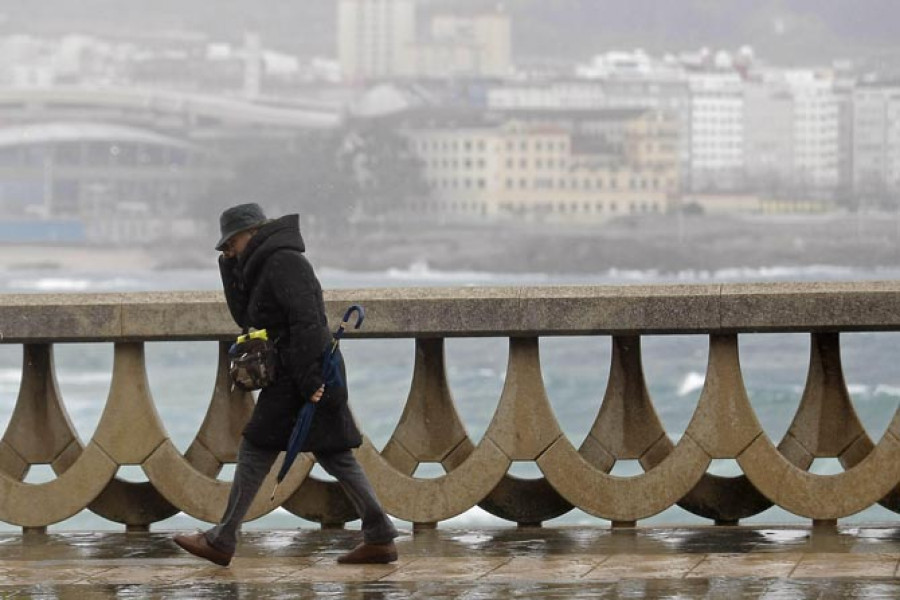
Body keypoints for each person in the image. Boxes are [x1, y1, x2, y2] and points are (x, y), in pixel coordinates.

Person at [173, 203, 398, 566]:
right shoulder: (261, 265)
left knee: (256, 448)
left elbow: (308, 321)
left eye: (230, 244)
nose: (227, 250)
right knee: (335, 454)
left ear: (252, 233)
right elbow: (244, 316)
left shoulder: (284, 262)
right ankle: (380, 537)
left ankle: (222, 539)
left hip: (303, 373)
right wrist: (229, 265)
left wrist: (312, 380)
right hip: (295, 371)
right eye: (224, 247)